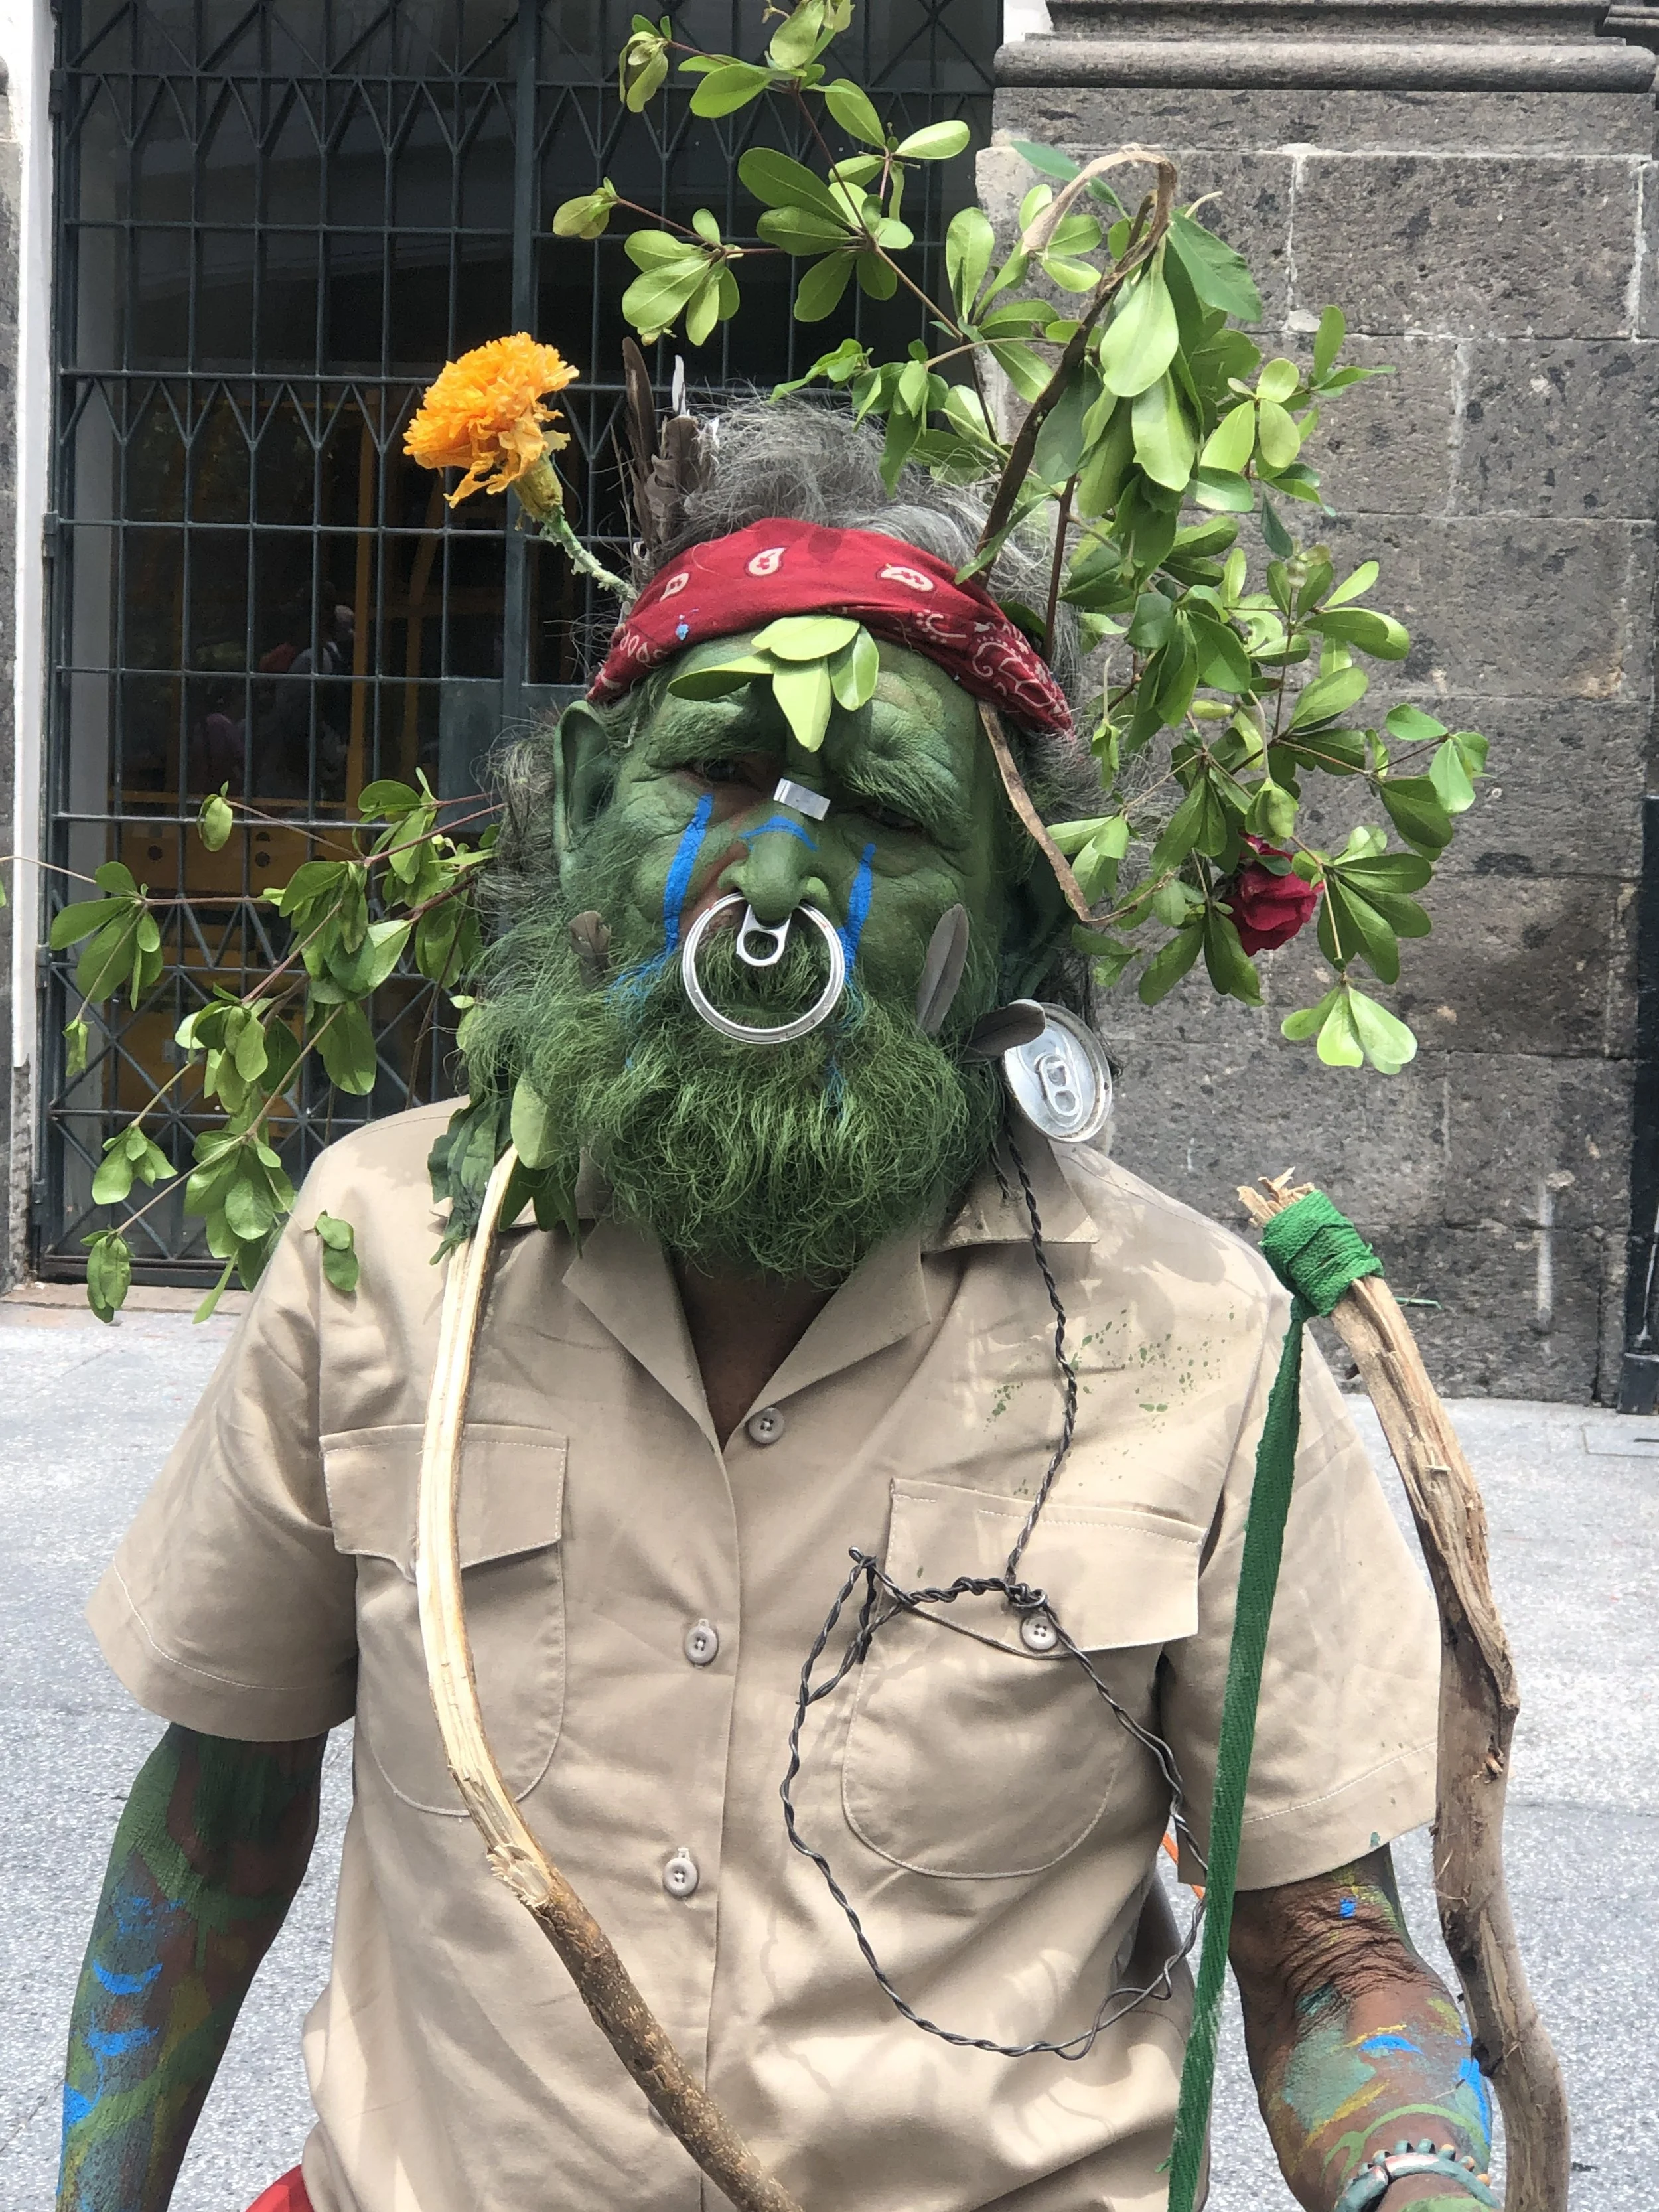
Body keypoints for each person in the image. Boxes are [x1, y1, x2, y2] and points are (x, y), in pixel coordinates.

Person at [58, 406, 1496, 2212]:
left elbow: (1323, 1955)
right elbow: (217, 1821)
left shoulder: (1196, 1346)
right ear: (584, 821)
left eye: (880, 815)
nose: (774, 877)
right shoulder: (381, 1246)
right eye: (715, 775)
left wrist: (1424, 2174)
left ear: (1021, 927)